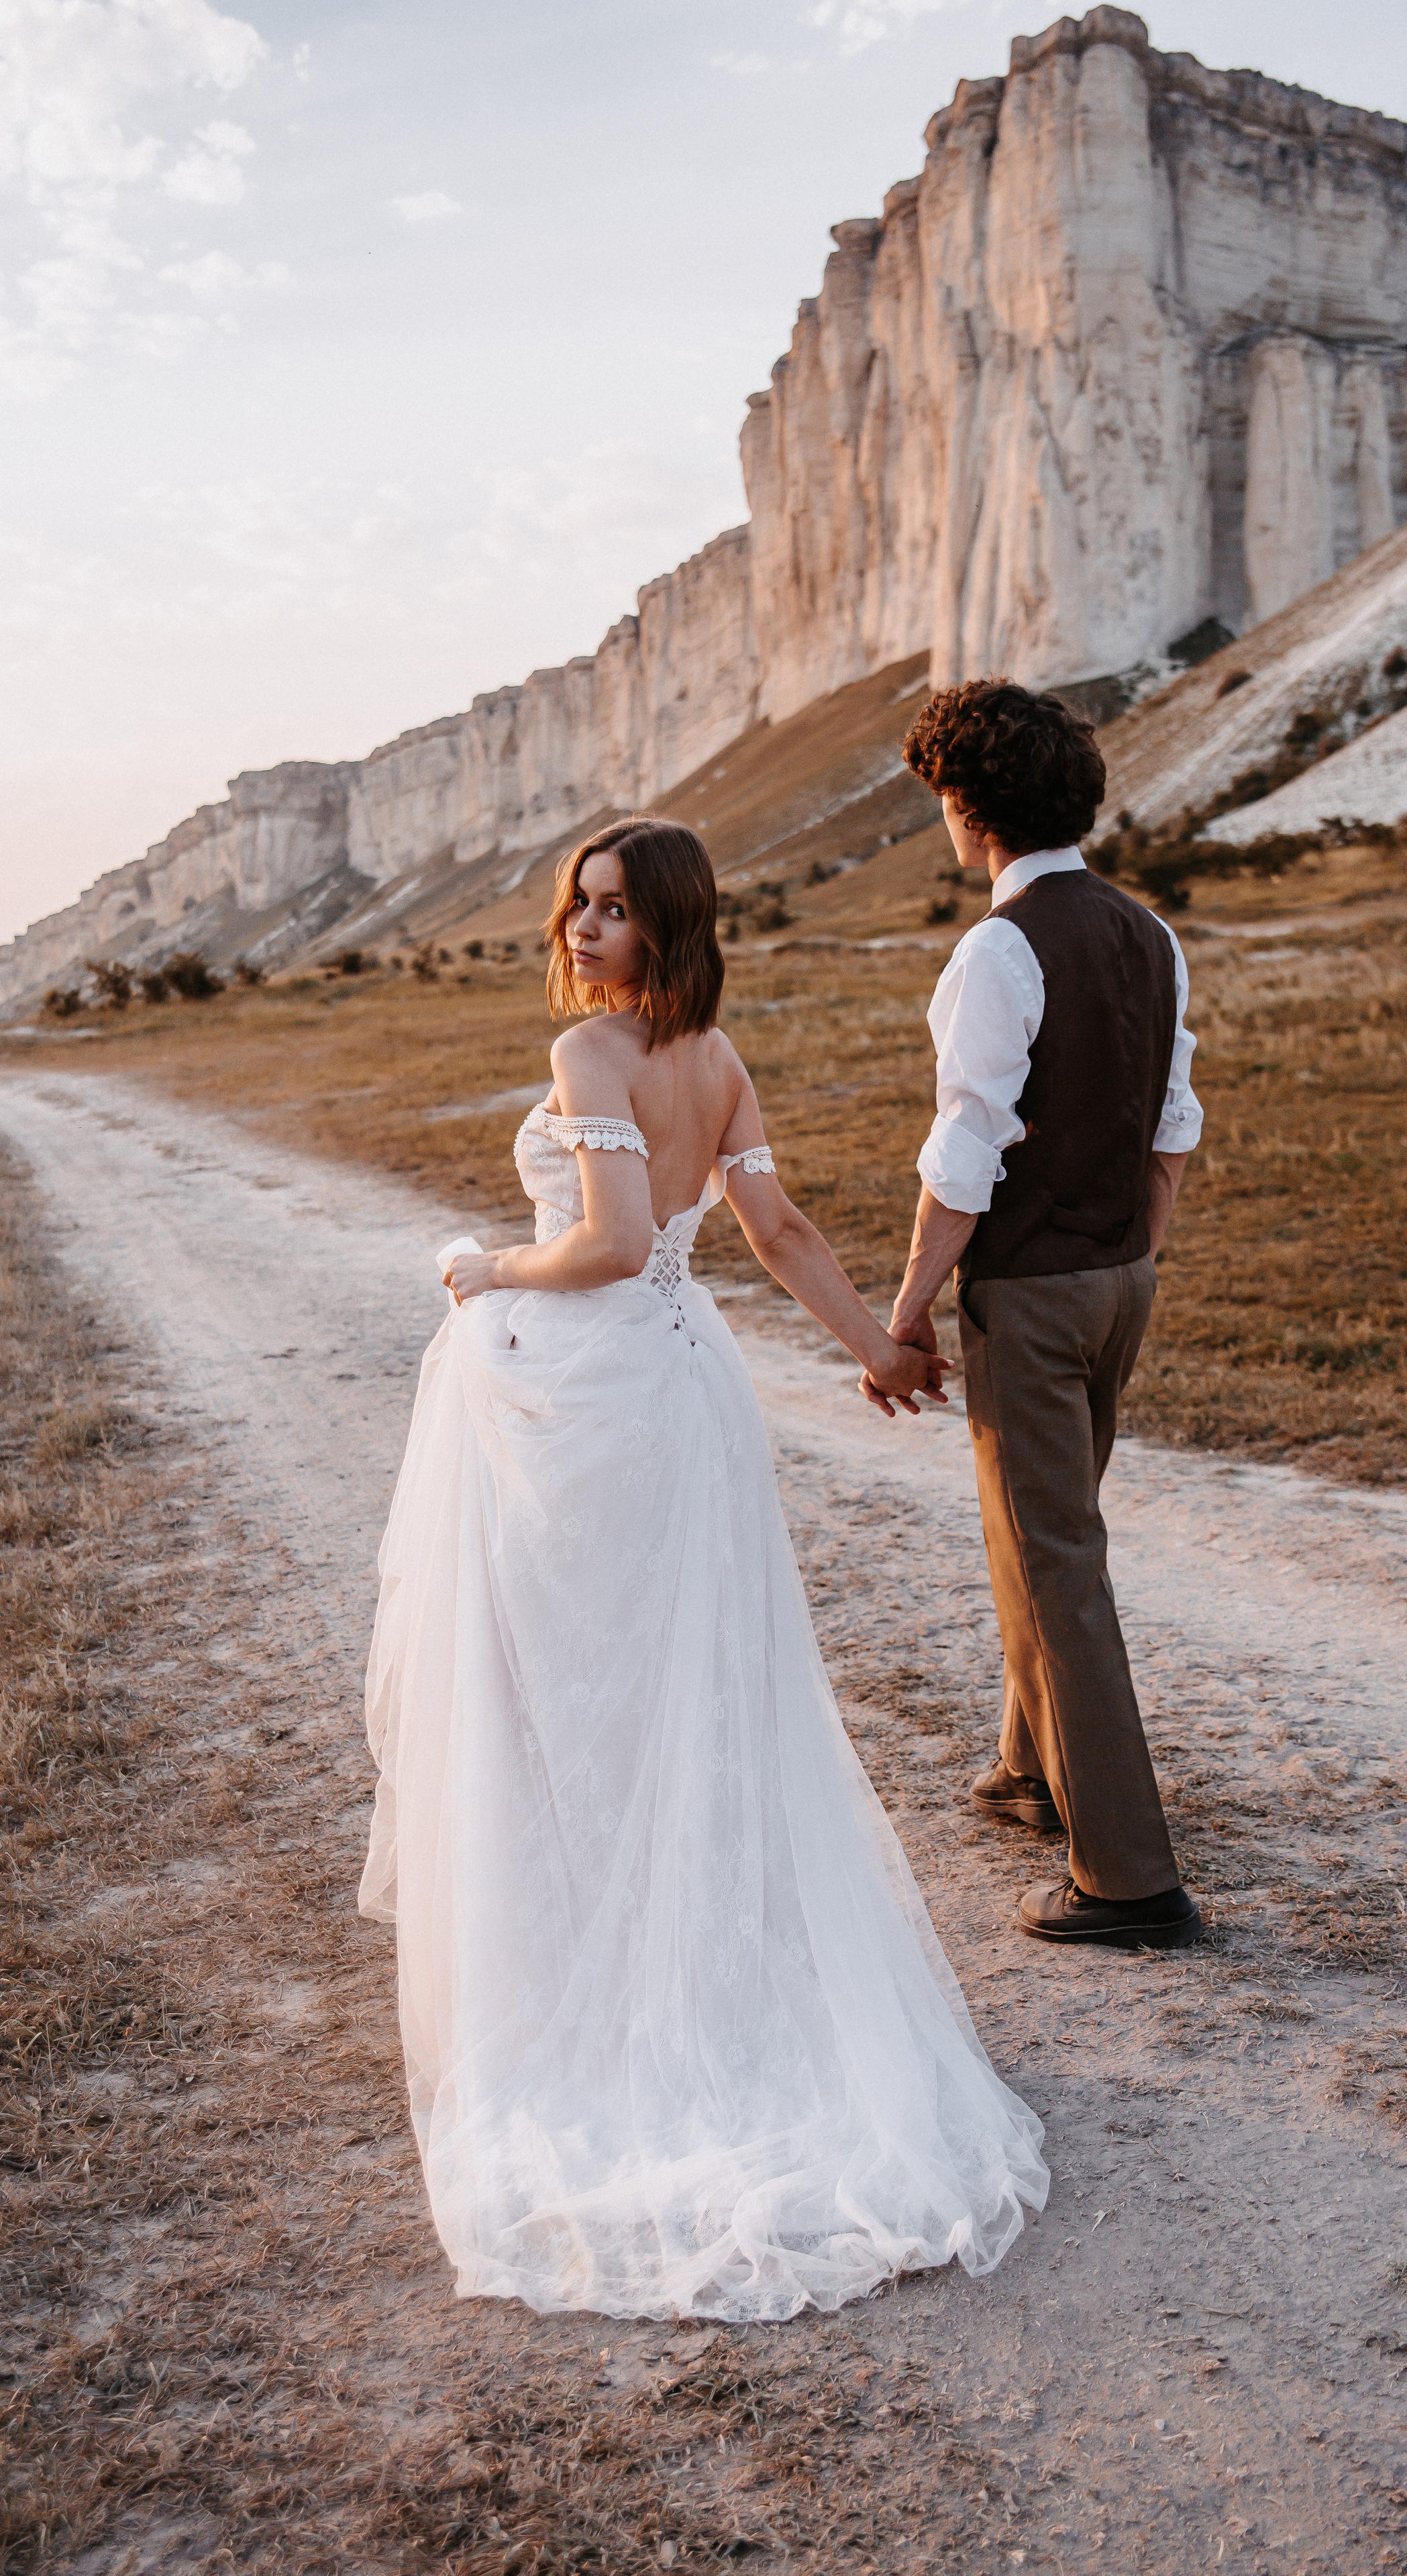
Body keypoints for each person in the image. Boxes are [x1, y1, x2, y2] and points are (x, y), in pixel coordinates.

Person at [358, 816, 1048, 2322]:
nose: (588, 931)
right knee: (681, 1682)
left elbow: (608, 1245)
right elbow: (776, 1230)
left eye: (616, 911)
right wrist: (873, 1342)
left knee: (581, 1685)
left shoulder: (594, 1060)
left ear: (669, 923)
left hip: (594, 1395)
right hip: (686, 1394)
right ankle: (690, 1961)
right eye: (578, 906)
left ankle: (606, 1989)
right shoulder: (716, 1058)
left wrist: (477, 1272)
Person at [866, 680, 1205, 1950]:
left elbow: (965, 1155)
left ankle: (1125, 1877)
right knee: (1042, 1534)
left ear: (968, 807)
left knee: (1057, 1563)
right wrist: (1133, 1258)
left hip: (1034, 1292)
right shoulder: (1150, 932)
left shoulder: (997, 951)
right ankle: (1028, 1773)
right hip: (1123, 1281)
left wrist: (908, 1310)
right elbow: (1173, 1125)